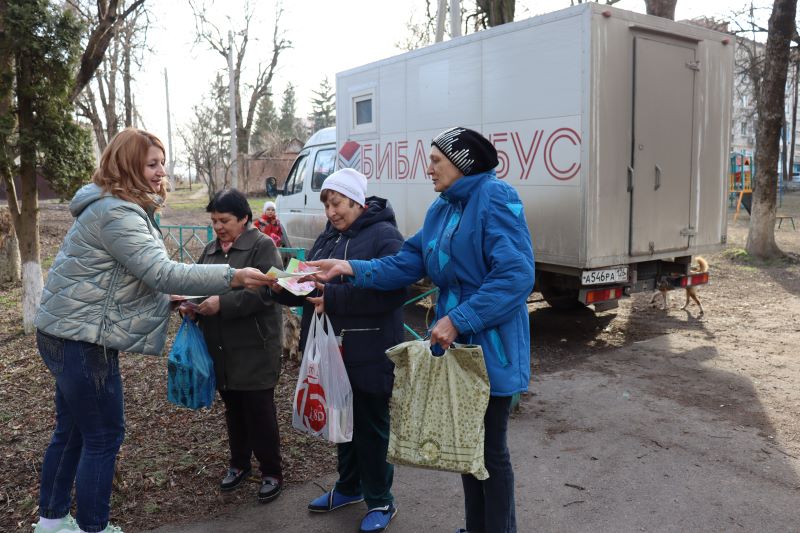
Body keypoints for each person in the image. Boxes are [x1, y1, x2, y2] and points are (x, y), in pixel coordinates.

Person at [32, 128, 271, 533]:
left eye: (163, 163)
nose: (162, 172)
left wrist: (171, 295)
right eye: (152, 164)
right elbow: (160, 271)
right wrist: (233, 275)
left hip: (64, 332)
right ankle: (94, 527)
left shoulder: (111, 207)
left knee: (72, 430)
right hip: (81, 341)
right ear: (127, 166)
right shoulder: (117, 213)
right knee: (104, 435)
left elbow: (119, 279)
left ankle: (52, 521)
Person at [308, 127, 535, 533]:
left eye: (436, 160)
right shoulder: (443, 208)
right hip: (457, 344)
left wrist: (459, 318)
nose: (427, 168)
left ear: (462, 161)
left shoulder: (495, 198)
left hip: (489, 344)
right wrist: (351, 268)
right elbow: (408, 262)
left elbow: (516, 275)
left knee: (490, 451)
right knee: (469, 447)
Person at [266, 168, 406, 533]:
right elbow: (308, 281)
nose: (331, 212)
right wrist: (278, 286)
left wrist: (337, 296)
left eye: (338, 203)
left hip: (370, 348)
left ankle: (381, 500)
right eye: (327, 204)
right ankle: (349, 486)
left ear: (358, 201)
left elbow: (394, 290)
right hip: (331, 349)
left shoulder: (385, 236)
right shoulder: (328, 238)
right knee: (341, 420)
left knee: (371, 427)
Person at [179, 189, 285, 504]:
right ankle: (239, 464)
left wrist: (222, 304)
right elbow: (198, 284)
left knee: (259, 412)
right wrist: (190, 304)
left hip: (255, 347)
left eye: (224, 220)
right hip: (221, 347)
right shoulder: (211, 250)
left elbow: (267, 292)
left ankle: (271, 470)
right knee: (234, 409)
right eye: (214, 221)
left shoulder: (263, 246)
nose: (219, 227)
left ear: (244, 219)